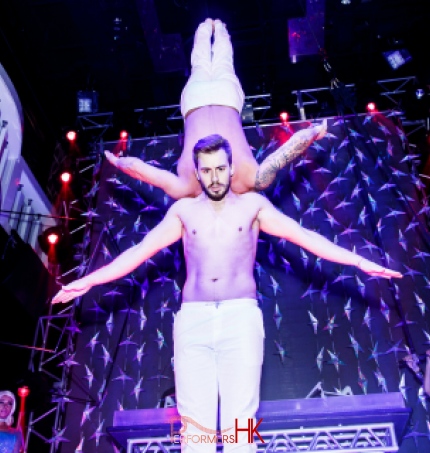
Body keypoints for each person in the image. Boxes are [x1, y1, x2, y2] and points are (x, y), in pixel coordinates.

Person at [53, 134, 402, 452]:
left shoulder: (253, 207)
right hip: (193, 322)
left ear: (232, 167)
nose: (215, 177)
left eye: (221, 168)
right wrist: (89, 280)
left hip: (240, 318)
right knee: (197, 433)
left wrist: (358, 261)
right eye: (206, 170)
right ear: (198, 172)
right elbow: (137, 253)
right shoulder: (184, 211)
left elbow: (306, 239)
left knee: (240, 428)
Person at [105, 19, 327, 199]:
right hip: (207, 100)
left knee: (220, 61)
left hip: (215, 99)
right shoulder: (236, 182)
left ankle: (216, 27)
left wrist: (314, 132)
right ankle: (211, 28)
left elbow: (285, 153)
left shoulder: (200, 187)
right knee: (204, 63)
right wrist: (119, 162)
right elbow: (143, 171)